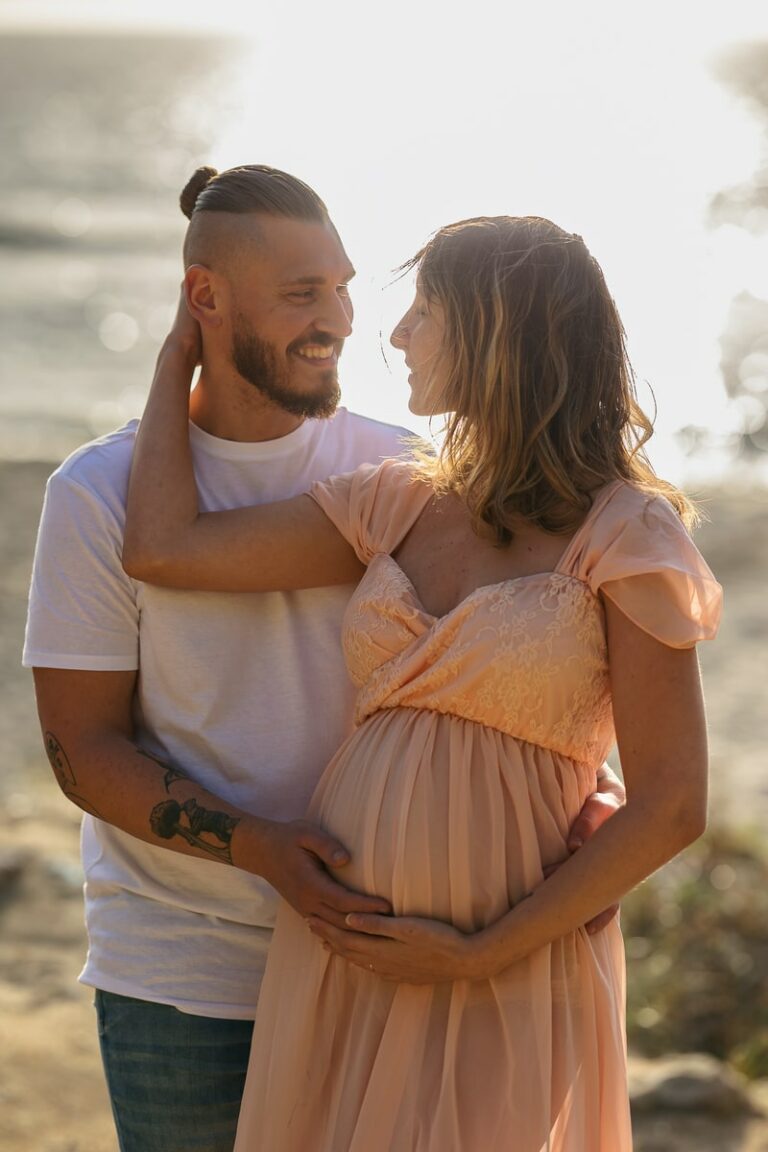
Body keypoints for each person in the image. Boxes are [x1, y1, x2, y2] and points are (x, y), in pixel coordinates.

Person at [22, 167, 623, 1152]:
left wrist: (581, 791)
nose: (341, 321)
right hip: (187, 970)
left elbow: (514, 651)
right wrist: (263, 848)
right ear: (205, 299)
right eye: (303, 294)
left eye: (342, 288)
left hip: (391, 956)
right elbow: (82, 751)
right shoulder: (98, 493)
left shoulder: (406, 472)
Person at [122, 211, 723, 1152]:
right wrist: (179, 358)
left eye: (424, 313)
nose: (396, 335)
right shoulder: (395, 501)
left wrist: (482, 952)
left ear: (496, 334)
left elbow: (672, 803)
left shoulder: (627, 533)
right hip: (341, 955)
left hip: (506, 965)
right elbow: (164, 548)